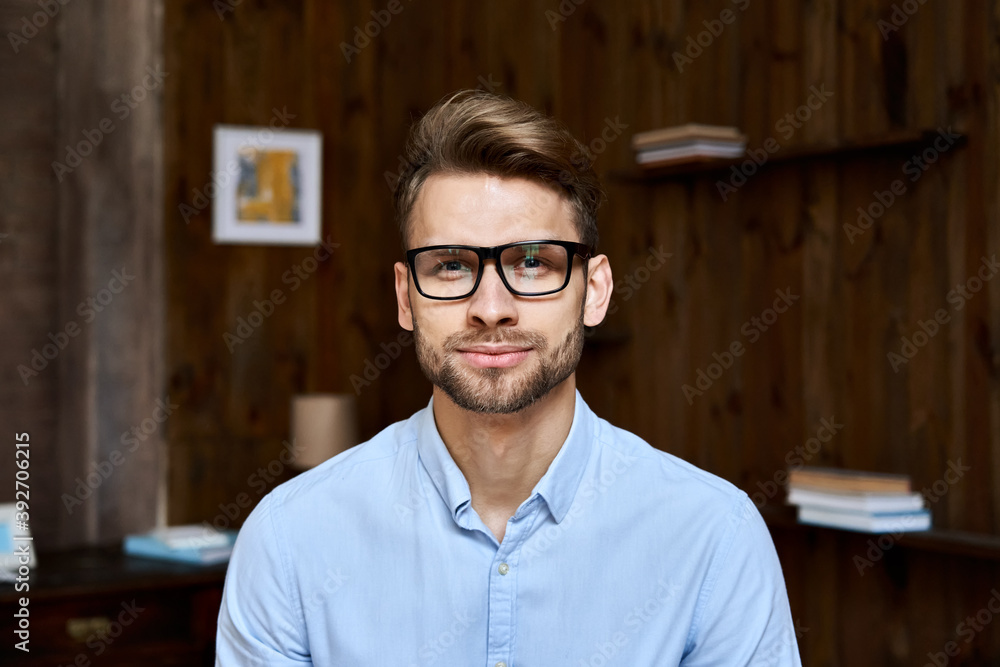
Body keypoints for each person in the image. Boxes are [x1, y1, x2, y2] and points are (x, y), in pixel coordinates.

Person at [216, 90, 802, 666]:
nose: (491, 308)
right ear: (404, 297)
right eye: (450, 266)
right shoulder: (289, 539)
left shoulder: (715, 540)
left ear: (593, 291)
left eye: (532, 262)